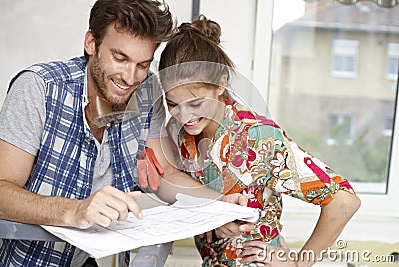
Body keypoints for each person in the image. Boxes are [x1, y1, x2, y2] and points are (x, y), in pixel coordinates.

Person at [0, 2, 251, 266]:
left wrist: (219, 205)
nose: (130, 78)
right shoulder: (39, 88)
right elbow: (2, 192)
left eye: (142, 64)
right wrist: (75, 210)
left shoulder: (147, 88)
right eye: (120, 58)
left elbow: (166, 175)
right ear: (91, 43)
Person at [153, 15, 361, 266]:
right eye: (173, 103)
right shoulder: (180, 130)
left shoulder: (258, 138)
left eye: (196, 103)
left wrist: (298, 263)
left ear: (221, 83)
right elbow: (176, 182)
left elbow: (344, 200)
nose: (185, 116)